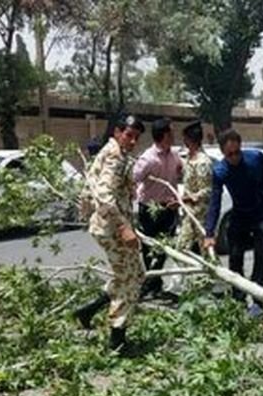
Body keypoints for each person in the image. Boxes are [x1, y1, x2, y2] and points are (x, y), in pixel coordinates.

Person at [73, 115, 146, 353]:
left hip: (108, 225)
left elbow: (88, 188)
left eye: (136, 137)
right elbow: (104, 194)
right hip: (113, 228)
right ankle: (117, 340)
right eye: (129, 135)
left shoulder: (113, 151)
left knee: (135, 273)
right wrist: (124, 227)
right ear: (117, 132)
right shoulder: (115, 155)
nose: (133, 141)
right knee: (129, 280)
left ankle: (88, 310)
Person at [203, 129, 263, 304]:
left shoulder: (256, 159)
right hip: (240, 215)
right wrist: (209, 233)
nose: (234, 157)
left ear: (241, 147)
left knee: (261, 255)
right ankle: (238, 299)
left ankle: (259, 300)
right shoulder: (220, 171)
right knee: (234, 257)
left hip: (261, 213)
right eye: (230, 154)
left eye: (237, 153)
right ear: (222, 152)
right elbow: (215, 202)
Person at [133, 118, 184, 297]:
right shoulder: (147, 158)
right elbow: (133, 179)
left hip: (169, 208)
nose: (174, 135)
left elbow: (179, 172)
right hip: (149, 208)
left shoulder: (174, 155)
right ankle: (152, 284)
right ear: (164, 135)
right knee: (148, 247)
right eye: (171, 132)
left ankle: (152, 283)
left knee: (165, 247)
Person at [177, 121, 213, 255]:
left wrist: (188, 198)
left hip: (200, 213)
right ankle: (192, 275)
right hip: (189, 212)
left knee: (206, 251)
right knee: (182, 249)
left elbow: (207, 190)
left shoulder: (202, 162)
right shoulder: (189, 158)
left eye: (185, 138)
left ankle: (211, 275)